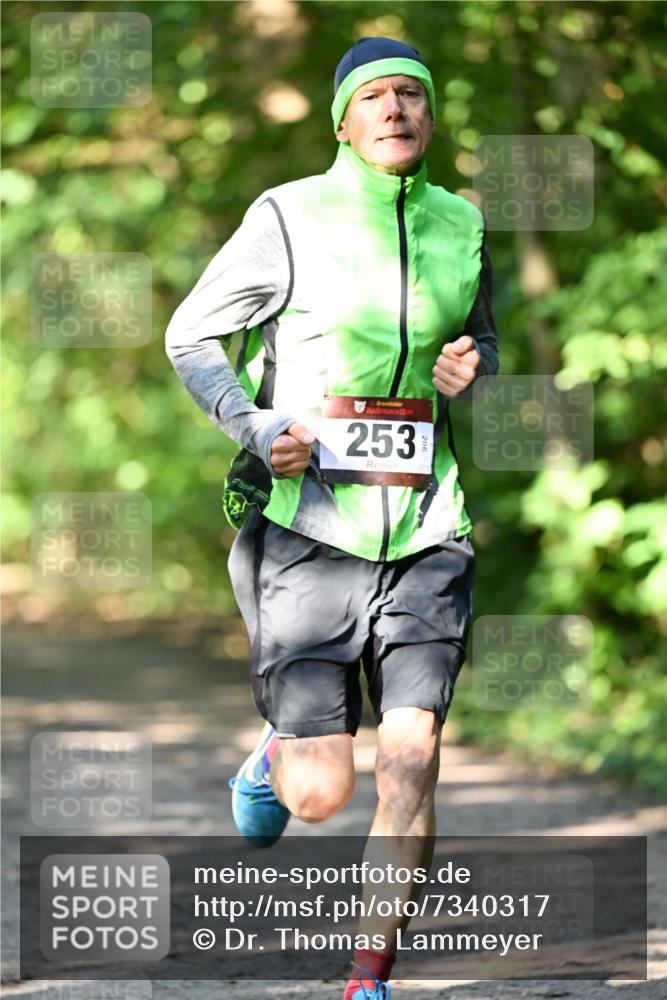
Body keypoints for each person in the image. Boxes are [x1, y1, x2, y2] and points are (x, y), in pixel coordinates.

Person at [166, 35, 498, 1000]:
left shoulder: (461, 227)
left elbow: (475, 343)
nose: (396, 109)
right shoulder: (288, 217)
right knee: (320, 795)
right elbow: (192, 332)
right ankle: (281, 747)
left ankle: (368, 976)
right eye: (375, 97)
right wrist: (255, 422)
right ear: (343, 122)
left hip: (428, 525)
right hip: (313, 528)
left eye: (413, 95)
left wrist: (467, 367)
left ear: (431, 118)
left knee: (413, 752)